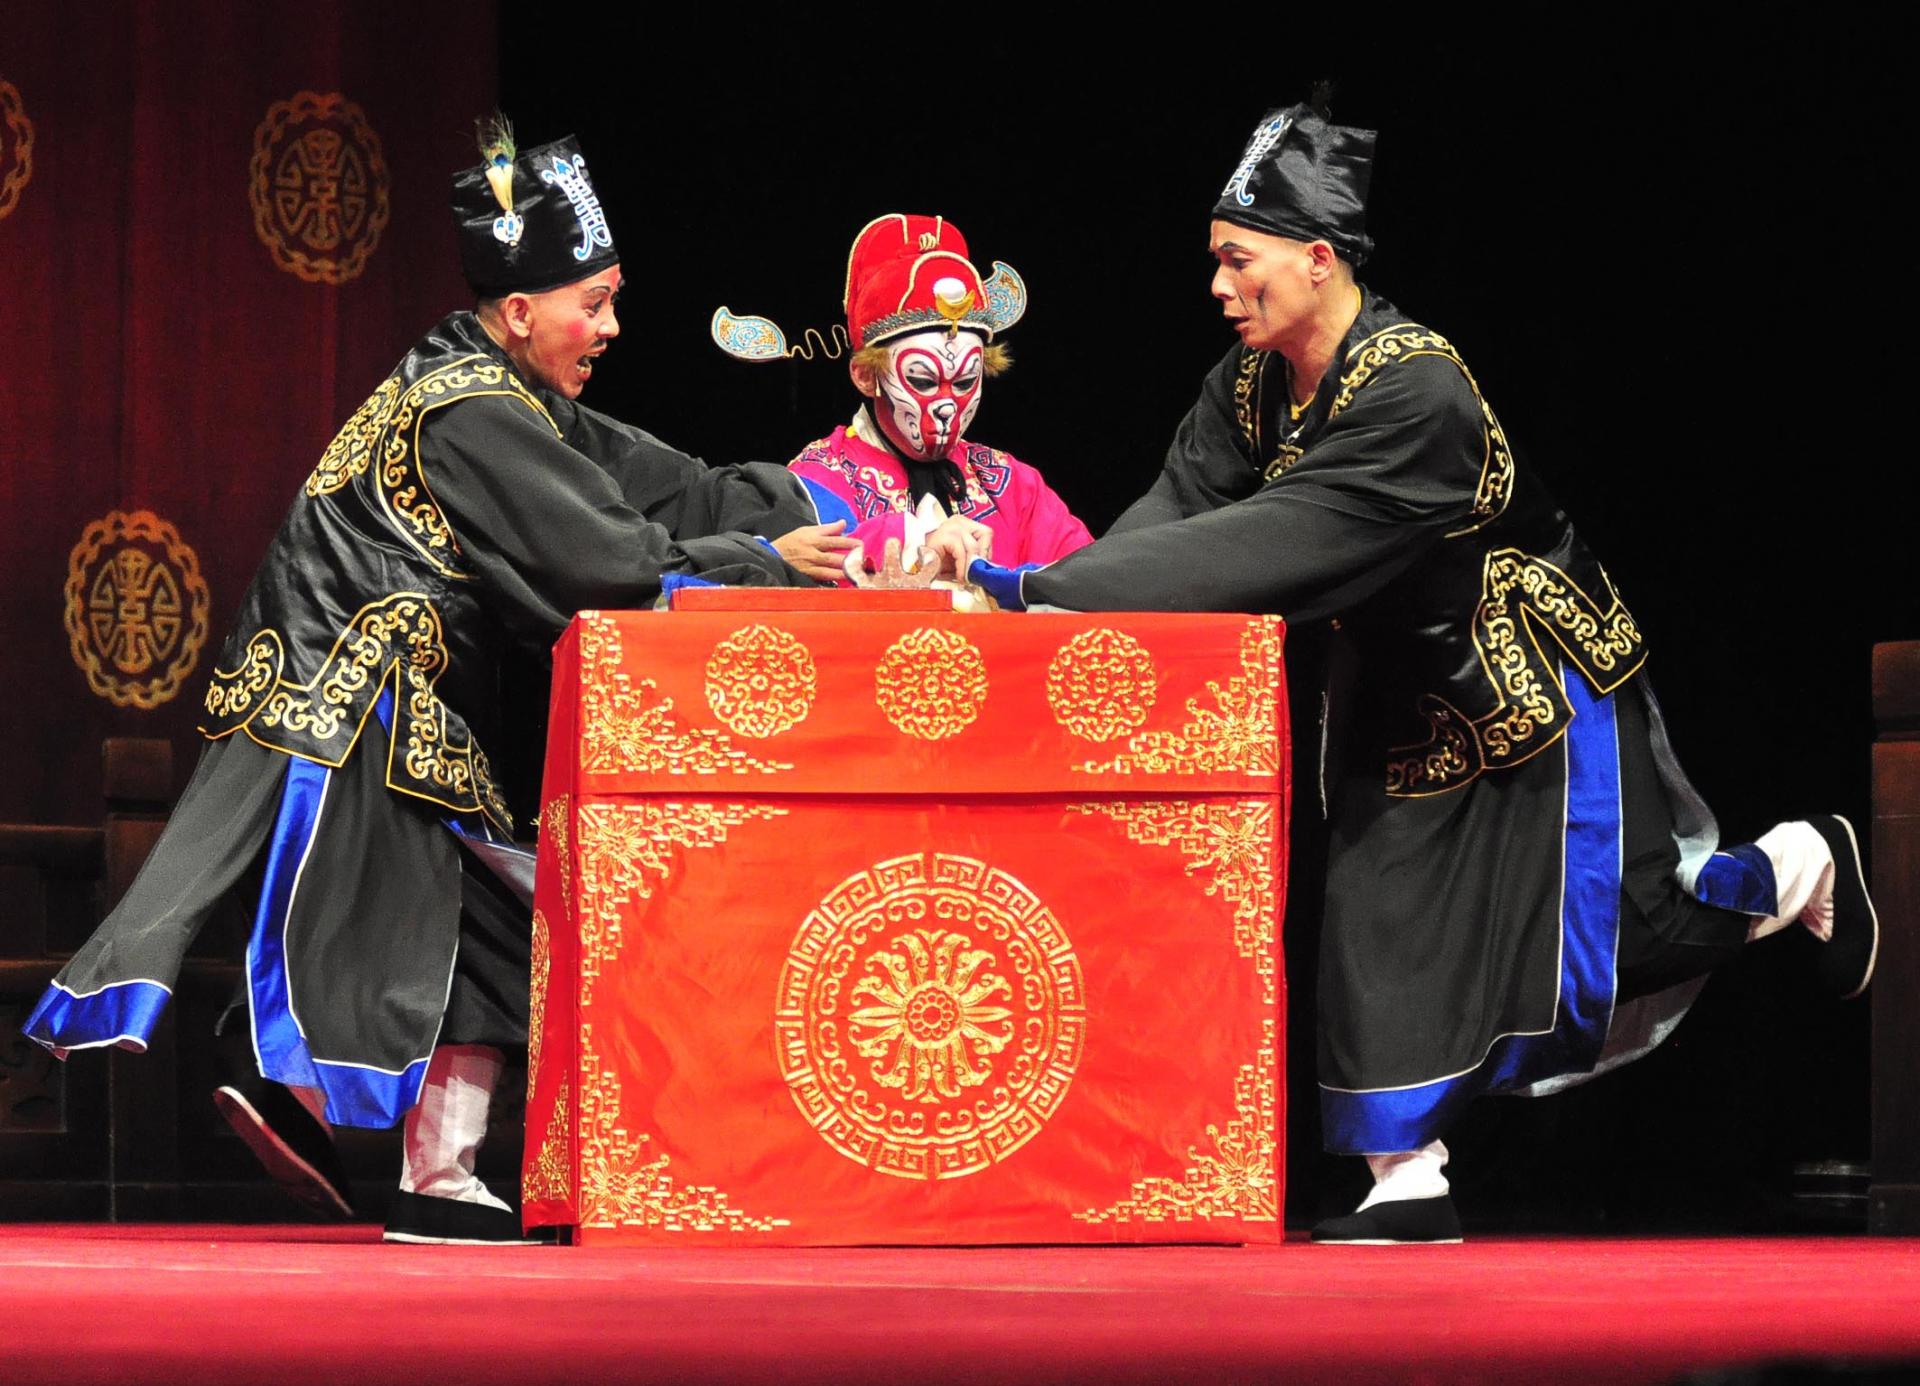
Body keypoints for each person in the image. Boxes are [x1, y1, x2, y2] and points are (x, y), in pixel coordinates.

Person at [966, 101, 1880, 1244]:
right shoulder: (1248, 384)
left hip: (1530, 683)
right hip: (1402, 696)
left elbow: (1282, 536)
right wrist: (1052, 597)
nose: (1219, 285)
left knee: (1622, 937)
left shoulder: (1417, 390)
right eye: (1217, 261)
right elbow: (1178, 511)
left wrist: (1037, 588)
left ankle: (1795, 865)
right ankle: (1407, 1179)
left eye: (1238, 260)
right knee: (1373, 924)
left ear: (1318, 258)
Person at [24, 125, 846, 1244]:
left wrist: (817, 507)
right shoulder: (472, 412)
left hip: (378, 703)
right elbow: (603, 559)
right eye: (595, 304)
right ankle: (314, 1097)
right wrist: (761, 563)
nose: (611, 328)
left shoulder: (491, 386)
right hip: (362, 704)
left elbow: (667, 484)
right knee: (490, 923)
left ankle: (398, 1156)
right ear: (522, 311)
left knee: (495, 929)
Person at [713, 214, 1090, 582]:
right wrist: (915, 543)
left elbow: (1084, 577)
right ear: (865, 376)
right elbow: (800, 568)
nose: (947, 406)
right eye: (923, 380)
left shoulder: (1012, 485)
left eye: (965, 382)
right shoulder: (817, 479)